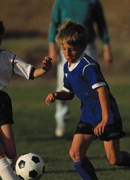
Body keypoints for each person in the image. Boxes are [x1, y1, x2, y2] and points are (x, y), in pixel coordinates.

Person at [44, 20, 130, 180]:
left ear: (83, 47)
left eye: (72, 49)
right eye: (64, 49)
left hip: (107, 115)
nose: (67, 53)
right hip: (88, 116)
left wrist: (105, 119)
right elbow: (69, 93)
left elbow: (102, 91)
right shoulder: (67, 67)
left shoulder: (88, 66)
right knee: (75, 153)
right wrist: (57, 95)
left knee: (114, 159)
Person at [0, 21, 52, 180]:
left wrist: (44, 69)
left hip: (2, 103)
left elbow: (30, 72)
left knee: (10, 152)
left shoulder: (6, 58)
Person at [48, 0, 113, 137]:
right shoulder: (61, 2)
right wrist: (52, 48)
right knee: (64, 85)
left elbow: (101, 24)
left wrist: (106, 46)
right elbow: (54, 24)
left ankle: (100, 119)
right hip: (66, 47)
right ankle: (61, 120)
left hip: (87, 46)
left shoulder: (92, 2)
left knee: (94, 85)